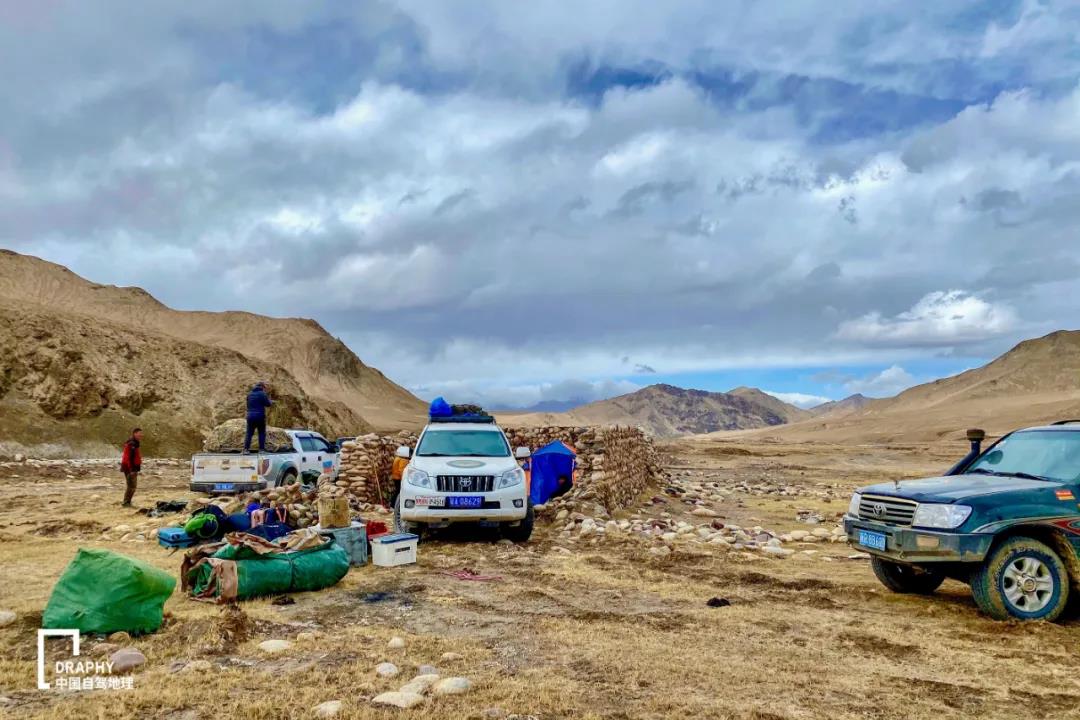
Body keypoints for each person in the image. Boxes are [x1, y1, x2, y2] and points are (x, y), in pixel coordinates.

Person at [244, 382, 273, 453]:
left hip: (250, 416)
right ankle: (261, 450)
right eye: (264, 388)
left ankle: (246, 449)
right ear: (262, 387)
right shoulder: (262, 394)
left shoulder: (249, 394)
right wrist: (271, 401)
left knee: (249, 433)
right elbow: (268, 404)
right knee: (261, 432)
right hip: (260, 416)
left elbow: (248, 405)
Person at [120, 428, 143, 507]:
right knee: (132, 486)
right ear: (134, 433)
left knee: (131, 486)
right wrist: (132, 469)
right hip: (130, 468)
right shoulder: (132, 444)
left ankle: (127, 502)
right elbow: (129, 457)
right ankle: (126, 502)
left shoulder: (133, 443)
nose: (141, 435)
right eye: (139, 433)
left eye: (141, 433)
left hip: (129, 467)